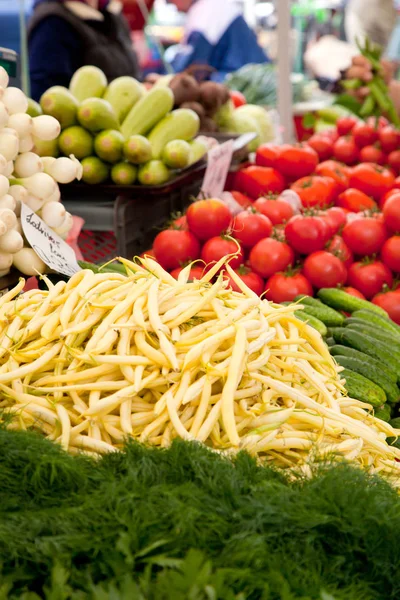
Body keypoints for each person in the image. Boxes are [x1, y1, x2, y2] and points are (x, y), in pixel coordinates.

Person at [28, 0, 141, 101]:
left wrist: (141, 86)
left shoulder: (112, 11)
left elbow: (122, 72)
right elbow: (47, 96)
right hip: (93, 122)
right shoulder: (52, 24)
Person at [168, 0, 268, 82]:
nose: (169, 2)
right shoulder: (212, 6)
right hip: (256, 77)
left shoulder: (205, 13)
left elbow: (190, 66)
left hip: (247, 82)